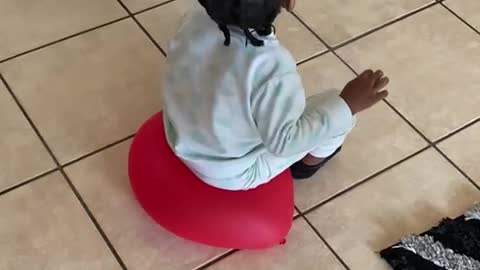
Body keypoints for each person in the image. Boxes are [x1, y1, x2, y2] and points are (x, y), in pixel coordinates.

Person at [162, 0, 389, 191]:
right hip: (229, 172)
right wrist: (348, 104)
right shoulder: (270, 68)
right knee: (337, 107)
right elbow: (284, 142)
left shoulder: (194, 16)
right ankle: (306, 165)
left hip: (177, 134)